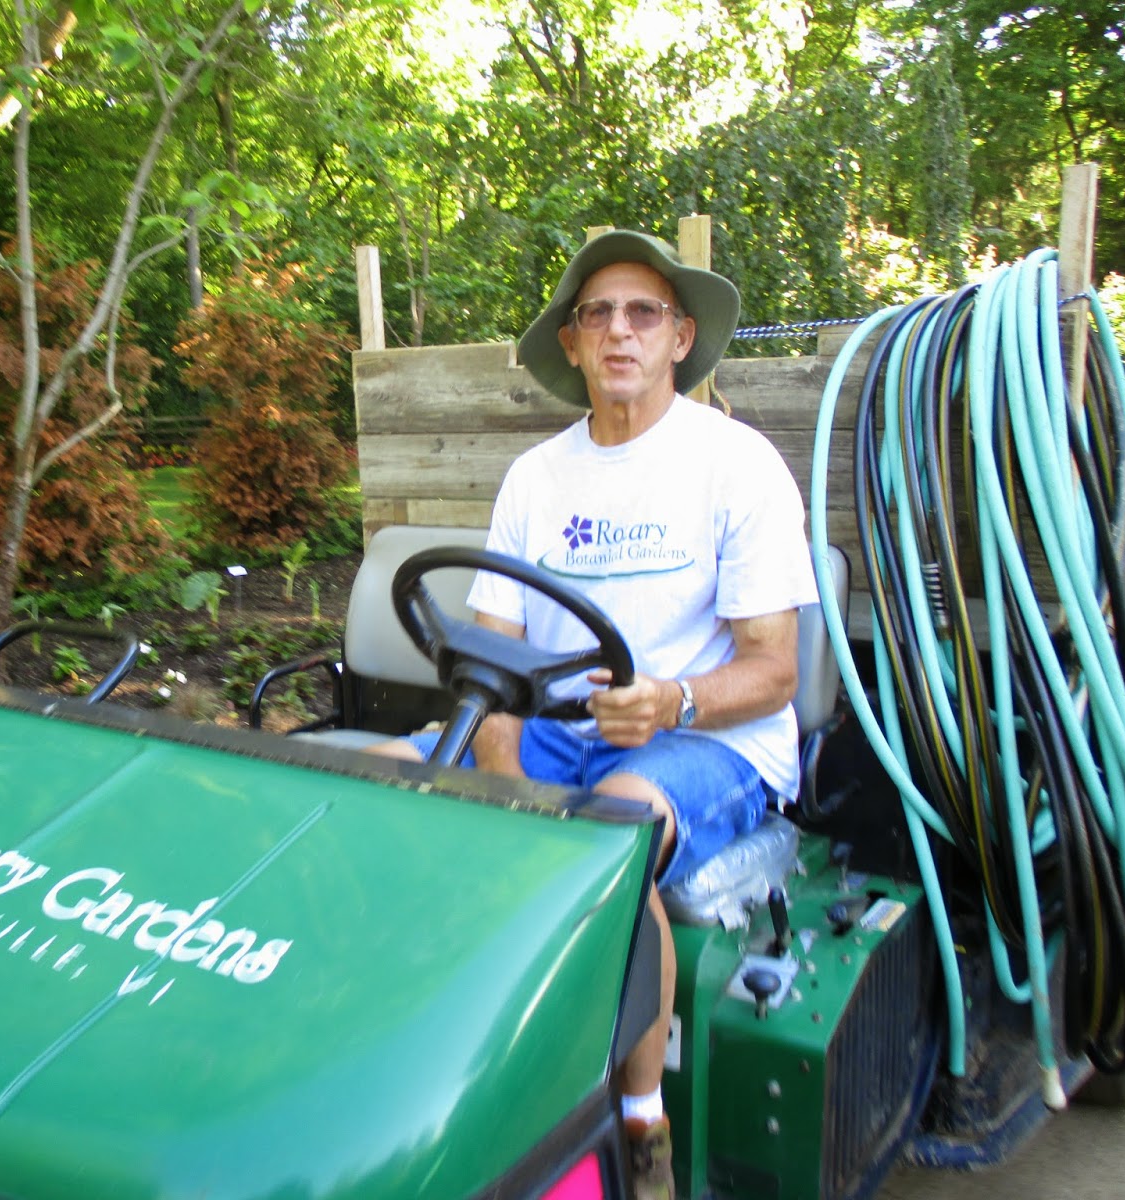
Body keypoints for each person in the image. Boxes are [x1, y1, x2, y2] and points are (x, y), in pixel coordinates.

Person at [370, 229, 817, 1200]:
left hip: (710, 740)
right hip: (555, 732)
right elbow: (490, 654)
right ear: (570, 343)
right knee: (374, 782)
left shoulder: (736, 465)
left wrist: (673, 699)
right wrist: (508, 787)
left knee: (605, 841)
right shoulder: (536, 477)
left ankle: (642, 1128)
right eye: (597, 314)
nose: (620, 331)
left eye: (643, 312)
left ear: (680, 338)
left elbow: (775, 672)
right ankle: (390, 1068)